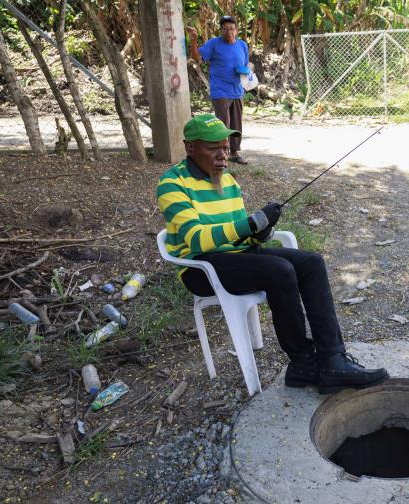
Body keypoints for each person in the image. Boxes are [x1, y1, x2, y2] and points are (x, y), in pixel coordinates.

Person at [156, 114, 389, 394]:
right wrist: (252, 223)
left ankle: (333, 359)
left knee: (311, 263)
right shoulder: (172, 183)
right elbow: (198, 241)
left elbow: (241, 233)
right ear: (190, 148)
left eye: (225, 147)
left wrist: (263, 229)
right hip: (201, 268)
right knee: (280, 270)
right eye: (212, 148)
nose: (222, 155)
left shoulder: (227, 179)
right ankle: (301, 361)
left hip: (238, 257)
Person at [187, 15, 250, 165]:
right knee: (223, 124)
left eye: (231, 28)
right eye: (225, 28)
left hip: (237, 90)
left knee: (236, 123)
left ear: (236, 30)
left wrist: (246, 72)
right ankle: (222, 154)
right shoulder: (214, 44)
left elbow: (246, 65)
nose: (229, 31)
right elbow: (197, 58)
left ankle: (234, 152)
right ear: (221, 30)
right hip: (220, 91)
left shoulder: (242, 45)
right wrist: (194, 40)